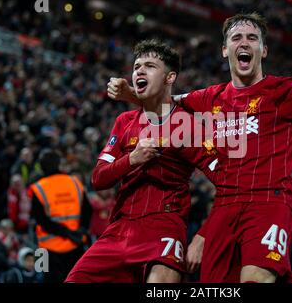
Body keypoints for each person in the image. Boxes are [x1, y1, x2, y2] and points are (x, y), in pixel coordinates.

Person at [107, 12, 292, 282]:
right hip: (223, 206)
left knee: (256, 278)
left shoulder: (285, 90)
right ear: (225, 50)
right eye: (236, 38)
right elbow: (165, 103)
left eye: (252, 38)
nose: (244, 43)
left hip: (269, 200)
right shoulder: (209, 97)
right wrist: (130, 94)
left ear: (263, 50)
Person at [66, 40, 218, 283]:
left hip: (164, 227)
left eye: (149, 66)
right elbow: (98, 179)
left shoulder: (189, 125)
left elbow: (228, 184)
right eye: (136, 66)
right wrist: (132, 159)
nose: (139, 71)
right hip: (118, 229)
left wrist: (202, 237)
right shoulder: (124, 121)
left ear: (169, 78)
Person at [29, 149, 92, 283]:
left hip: (46, 249)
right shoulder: (74, 182)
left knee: (42, 278)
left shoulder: (38, 188)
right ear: (58, 164)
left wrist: (65, 232)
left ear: (41, 167)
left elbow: (41, 221)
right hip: (76, 244)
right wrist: (81, 230)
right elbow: (88, 210)